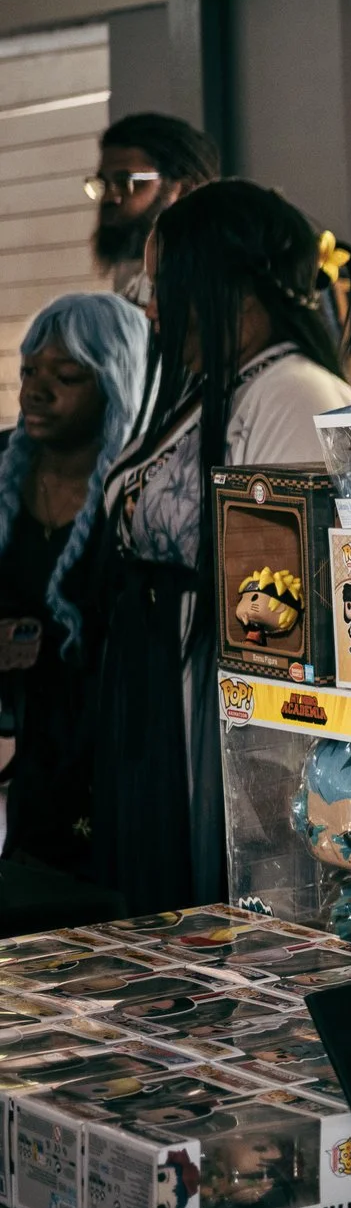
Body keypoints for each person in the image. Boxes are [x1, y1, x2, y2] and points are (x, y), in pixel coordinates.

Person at [90, 181, 351, 915]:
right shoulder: (226, 385)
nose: (149, 305)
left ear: (231, 289)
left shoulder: (293, 395)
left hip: (221, 706)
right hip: (165, 687)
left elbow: (280, 607)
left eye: (163, 283)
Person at [0, 294, 151, 877]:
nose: (36, 391)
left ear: (115, 385)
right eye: (29, 372)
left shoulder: (140, 499)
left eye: (65, 376)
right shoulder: (5, 477)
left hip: (117, 755)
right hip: (30, 759)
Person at [89, 114, 221, 307]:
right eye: (103, 184)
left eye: (126, 182)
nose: (110, 197)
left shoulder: (212, 280)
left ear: (184, 190)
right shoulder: (135, 278)